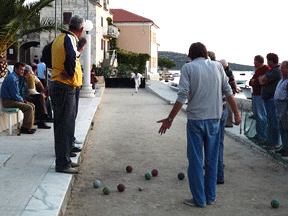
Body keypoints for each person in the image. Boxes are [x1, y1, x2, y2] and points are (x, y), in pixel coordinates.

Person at [157, 42, 241, 207]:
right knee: (212, 159)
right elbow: (229, 91)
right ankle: (210, 196)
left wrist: (169, 119)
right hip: (215, 120)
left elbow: (182, 95)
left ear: (190, 54)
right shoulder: (218, 67)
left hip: (196, 120)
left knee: (195, 161)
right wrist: (237, 114)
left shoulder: (188, 68)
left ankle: (199, 199)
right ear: (206, 54)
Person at [49, 14, 85, 174]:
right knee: (64, 125)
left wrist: (57, 71)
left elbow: (45, 54)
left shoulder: (59, 38)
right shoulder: (70, 39)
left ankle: (66, 160)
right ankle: (62, 164)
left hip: (59, 85)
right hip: (64, 87)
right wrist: (69, 72)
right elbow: (71, 55)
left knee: (65, 124)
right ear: (81, 29)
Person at [0, 62, 36, 134]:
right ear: (15, 69)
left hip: (12, 100)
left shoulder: (16, 77)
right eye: (21, 69)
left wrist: (22, 100)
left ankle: (29, 127)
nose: (23, 71)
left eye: (23, 69)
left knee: (32, 105)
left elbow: (17, 93)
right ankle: (25, 128)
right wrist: (21, 100)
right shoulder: (12, 78)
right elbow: (14, 94)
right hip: (8, 101)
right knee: (28, 107)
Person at [208, 51, 227, 185]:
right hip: (223, 110)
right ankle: (218, 175)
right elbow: (229, 91)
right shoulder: (219, 70)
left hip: (215, 113)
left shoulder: (210, 72)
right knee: (218, 144)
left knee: (213, 146)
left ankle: (216, 175)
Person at [259, 53, 281, 150]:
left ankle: (275, 143)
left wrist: (263, 80)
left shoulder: (276, 71)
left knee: (273, 122)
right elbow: (262, 80)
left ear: (272, 61)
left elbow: (263, 80)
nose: (267, 63)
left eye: (268, 61)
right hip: (268, 100)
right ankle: (269, 141)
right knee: (269, 121)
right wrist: (263, 80)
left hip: (272, 100)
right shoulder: (272, 70)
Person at [249, 55, 270, 143]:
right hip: (255, 95)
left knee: (262, 116)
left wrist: (255, 81)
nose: (254, 63)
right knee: (257, 116)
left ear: (259, 61)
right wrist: (255, 81)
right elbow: (251, 82)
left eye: (255, 61)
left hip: (260, 96)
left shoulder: (266, 69)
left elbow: (262, 81)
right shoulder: (258, 70)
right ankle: (258, 134)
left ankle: (263, 137)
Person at [220, 59, 241, 128]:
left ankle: (228, 123)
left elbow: (232, 81)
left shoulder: (228, 70)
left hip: (229, 91)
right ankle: (225, 121)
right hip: (225, 91)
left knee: (228, 107)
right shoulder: (222, 69)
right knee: (225, 107)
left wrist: (235, 89)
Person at [274, 61, 288, 156]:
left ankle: (287, 149)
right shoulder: (282, 79)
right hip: (278, 106)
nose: (280, 69)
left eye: (283, 68)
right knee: (281, 128)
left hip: (285, 106)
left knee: (286, 128)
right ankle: (284, 147)